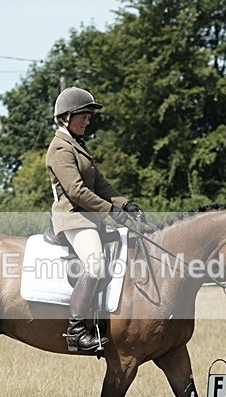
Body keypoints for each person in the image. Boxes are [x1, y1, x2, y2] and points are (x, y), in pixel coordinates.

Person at [47, 87, 144, 353]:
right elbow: (77, 191)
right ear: (66, 116)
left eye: (89, 117)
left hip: (89, 218)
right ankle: (76, 331)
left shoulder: (78, 145)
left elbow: (100, 183)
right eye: (84, 116)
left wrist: (124, 203)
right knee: (96, 263)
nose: (88, 121)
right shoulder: (60, 148)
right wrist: (110, 211)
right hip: (73, 219)